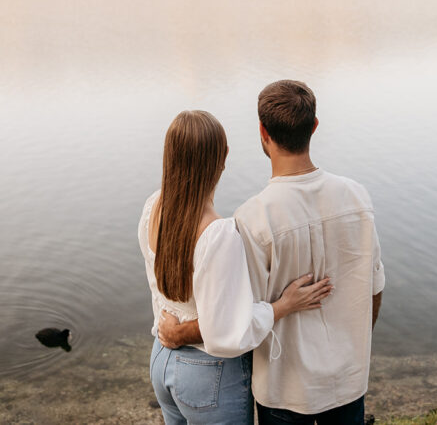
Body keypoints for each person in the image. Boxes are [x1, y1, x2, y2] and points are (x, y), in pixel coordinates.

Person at [160, 81, 385, 424]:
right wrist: (351, 347)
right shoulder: (358, 198)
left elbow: (232, 321)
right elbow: (374, 288)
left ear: (263, 133)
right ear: (314, 127)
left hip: (286, 392)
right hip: (348, 383)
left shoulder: (252, 219)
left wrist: (178, 333)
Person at [140, 109, 333, 425]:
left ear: (169, 155)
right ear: (222, 158)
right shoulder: (217, 233)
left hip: (161, 360)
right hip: (208, 374)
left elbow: (157, 287)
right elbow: (229, 331)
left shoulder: (153, 207)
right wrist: (283, 306)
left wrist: (172, 333)